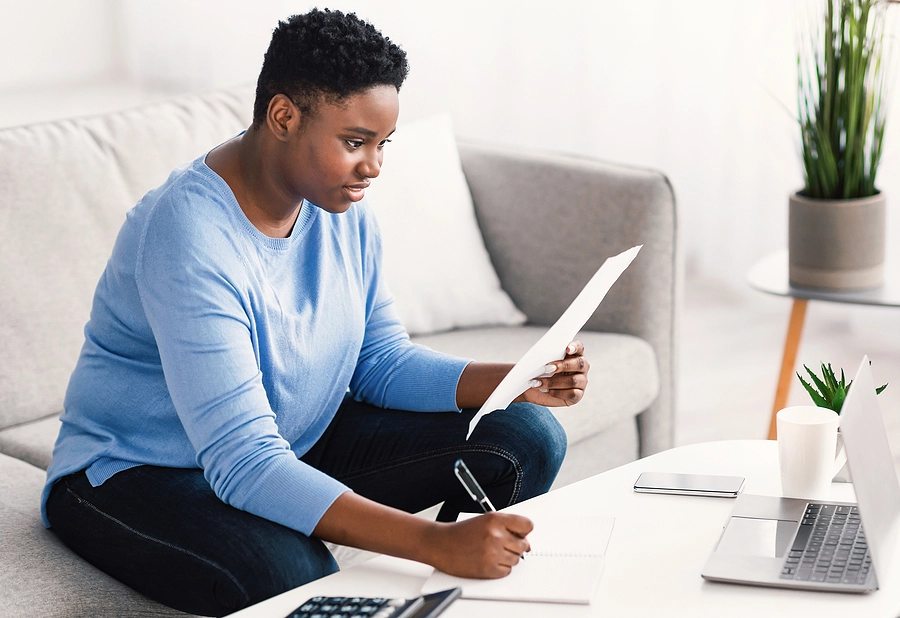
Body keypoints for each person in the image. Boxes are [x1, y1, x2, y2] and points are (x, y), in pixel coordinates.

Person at [42, 8, 589, 617]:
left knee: (523, 437)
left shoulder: (339, 209)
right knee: (300, 573)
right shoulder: (187, 238)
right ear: (284, 117)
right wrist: (433, 542)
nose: (374, 167)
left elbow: (379, 361)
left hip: (289, 437)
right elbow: (243, 460)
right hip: (139, 473)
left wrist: (518, 378)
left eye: (382, 144)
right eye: (355, 143)